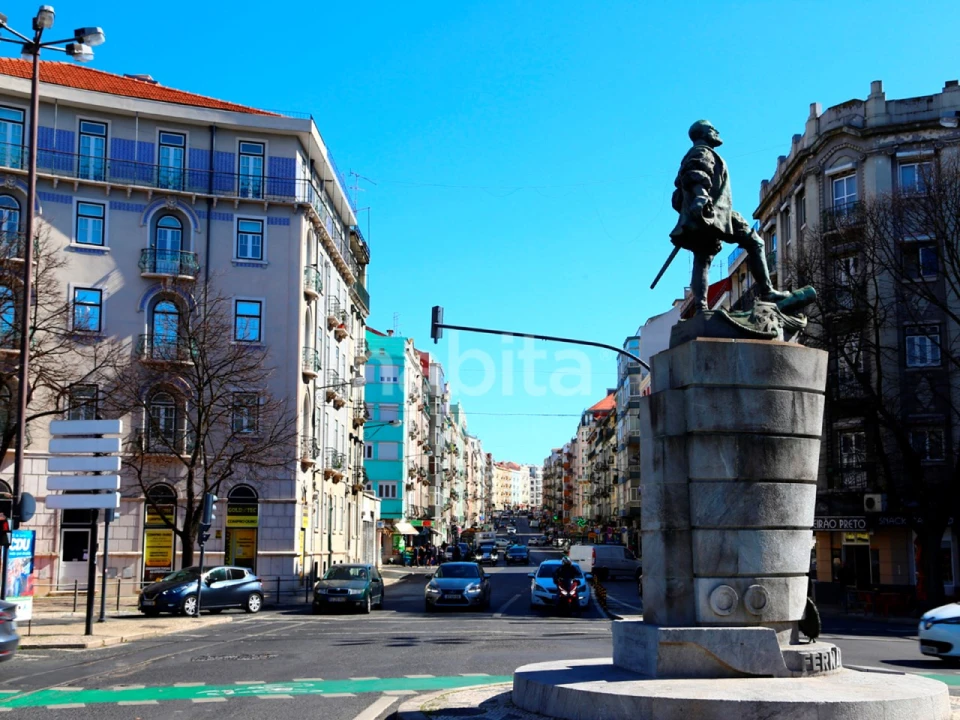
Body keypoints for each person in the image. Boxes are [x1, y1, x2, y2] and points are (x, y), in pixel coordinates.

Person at [670, 120, 790, 312]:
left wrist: (693, 207)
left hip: (706, 213)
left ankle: (701, 308)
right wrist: (701, 198)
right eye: (711, 129)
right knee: (754, 242)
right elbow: (697, 175)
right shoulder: (702, 152)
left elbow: (679, 194)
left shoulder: (694, 154)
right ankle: (767, 291)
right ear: (702, 134)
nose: (716, 131)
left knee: (702, 258)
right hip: (715, 213)